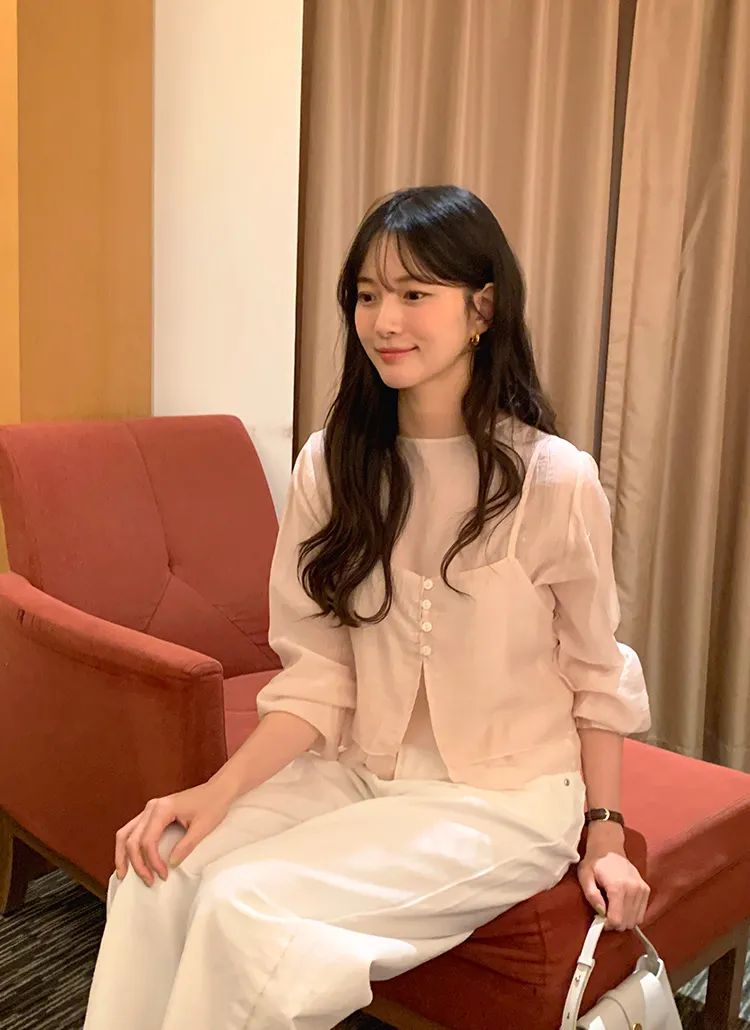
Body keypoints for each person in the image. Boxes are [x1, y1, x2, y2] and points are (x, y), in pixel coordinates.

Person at [84, 185, 651, 1030]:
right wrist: (216, 791)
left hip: (503, 802)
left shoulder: (554, 481)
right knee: (160, 864)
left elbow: (595, 671)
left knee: (247, 907)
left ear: (481, 308)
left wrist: (604, 832)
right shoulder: (333, 466)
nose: (385, 320)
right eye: (367, 295)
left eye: (415, 294)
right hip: (352, 773)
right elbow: (318, 676)